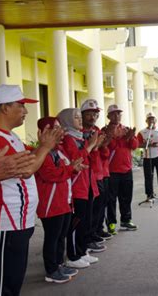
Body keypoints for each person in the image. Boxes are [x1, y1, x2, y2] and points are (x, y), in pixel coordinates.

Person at [0, 84, 62, 296]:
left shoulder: (7, 135)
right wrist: (45, 147)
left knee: (13, 280)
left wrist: (40, 148)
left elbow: (29, 161)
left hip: (18, 220)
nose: (25, 111)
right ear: (4, 108)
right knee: (4, 282)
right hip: (6, 221)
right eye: (21, 105)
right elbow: (27, 169)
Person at [35, 117, 84, 284]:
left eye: (59, 128)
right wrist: (70, 168)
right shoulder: (41, 154)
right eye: (54, 129)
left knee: (61, 235)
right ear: (43, 133)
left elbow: (66, 173)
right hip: (50, 204)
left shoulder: (59, 151)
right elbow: (51, 175)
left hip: (64, 202)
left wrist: (74, 169)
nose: (60, 132)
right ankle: (51, 270)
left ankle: (59, 264)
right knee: (52, 237)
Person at [58, 108, 101, 269]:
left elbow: (91, 160)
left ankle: (82, 252)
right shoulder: (69, 138)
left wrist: (93, 145)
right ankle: (73, 255)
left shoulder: (79, 137)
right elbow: (77, 159)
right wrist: (90, 145)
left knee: (85, 221)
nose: (80, 120)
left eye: (79, 116)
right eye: (76, 117)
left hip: (87, 183)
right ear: (67, 120)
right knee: (77, 223)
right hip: (77, 187)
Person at [81, 99, 113, 250]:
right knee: (89, 209)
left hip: (100, 173)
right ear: (82, 115)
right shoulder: (79, 133)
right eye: (89, 113)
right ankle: (87, 237)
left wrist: (104, 145)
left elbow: (104, 154)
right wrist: (94, 146)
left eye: (95, 114)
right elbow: (83, 156)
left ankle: (94, 232)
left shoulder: (97, 131)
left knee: (99, 206)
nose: (93, 117)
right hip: (87, 175)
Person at [104, 104, 139, 234]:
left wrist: (130, 137)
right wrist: (118, 138)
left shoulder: (125, 129)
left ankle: (126, 220)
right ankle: (111, 223)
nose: (117, 116)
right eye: (113, 114)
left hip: (126, 169)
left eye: (119, 114)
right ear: (108, 116)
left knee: (126, 197)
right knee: (111, 199)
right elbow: (108, 148)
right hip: (111, 171)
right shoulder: (105, 130)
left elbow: (134, 146)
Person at [137, 112, 158, 201]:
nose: (151, 120)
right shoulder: (142, 132)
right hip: (147, 157)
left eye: (153, 119)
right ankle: (149, 195)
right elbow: (137, 144)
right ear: (146, 121)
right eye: (149, 119)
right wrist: (146, 144)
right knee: (148, 176)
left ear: (155, 120)